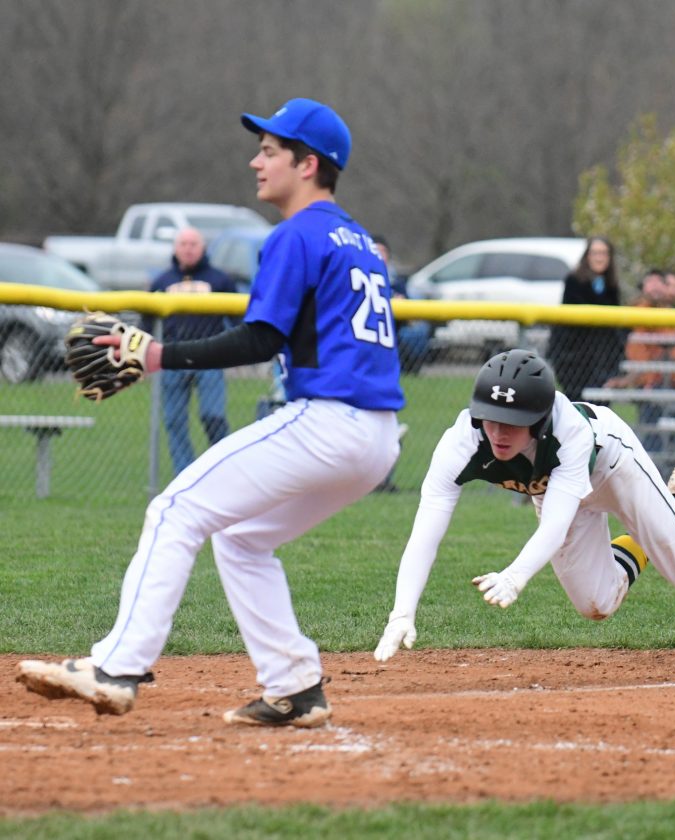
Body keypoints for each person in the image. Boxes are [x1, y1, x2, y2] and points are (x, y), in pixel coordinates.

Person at [17, 97, 405, 727]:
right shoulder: (357, 238)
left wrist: (156, 355)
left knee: (175, 509)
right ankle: (297, 688)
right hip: (379, 438)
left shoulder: (295, 236)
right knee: (243, 538)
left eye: (270, 151)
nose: (256, 161)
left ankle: (116, 666)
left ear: (308, 164)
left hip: (329, 419)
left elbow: (261, 339)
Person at [374, 349, 675, 686]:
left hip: (612, 464)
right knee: (597, 603)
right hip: (557, 490)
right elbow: (425, 532)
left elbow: (554, 525)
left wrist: (517, 575)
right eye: (491, 418)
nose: (498, 431)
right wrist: (401, 611)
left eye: (514, 421)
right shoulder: (462, 443)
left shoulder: (569, 436)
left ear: (540, 421)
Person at [146, 227, 236, 474]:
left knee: (212, 415)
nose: (188, 249)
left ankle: (222, 468)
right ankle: (185, 475)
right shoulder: (162, 282)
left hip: (210, 356)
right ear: (175, 248)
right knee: (174, 421)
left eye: (193, 244)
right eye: (183, 244)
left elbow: (239, 318)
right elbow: (146, 319)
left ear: (203, 248)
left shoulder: (220, 280)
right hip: (172, 358)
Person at [604, 268, 675, 452]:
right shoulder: (638, 311)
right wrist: (643, 380)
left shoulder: (670, 312)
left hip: (672, 384)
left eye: (661, 283)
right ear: (643, 286)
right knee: (652, 438)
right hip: (651, 385)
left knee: (674, 441)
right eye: (651, 282)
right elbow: (638, 352)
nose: (655, 287)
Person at [547, 236, 624, 401]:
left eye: (604, 253)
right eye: (595, 253)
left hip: (603, 361)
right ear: (587, 256)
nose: (599, 257)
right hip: (575, 361)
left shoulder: (611, 285)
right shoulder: (574, 281)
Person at [373, 234, 431, 375]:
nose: (380, 255)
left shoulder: (396, 280)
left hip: (397, 325)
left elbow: (408, 302)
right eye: (376, 250)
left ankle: (411, 370)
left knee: (418, 331)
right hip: (374, 325)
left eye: (383, 251)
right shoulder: (363, 277)